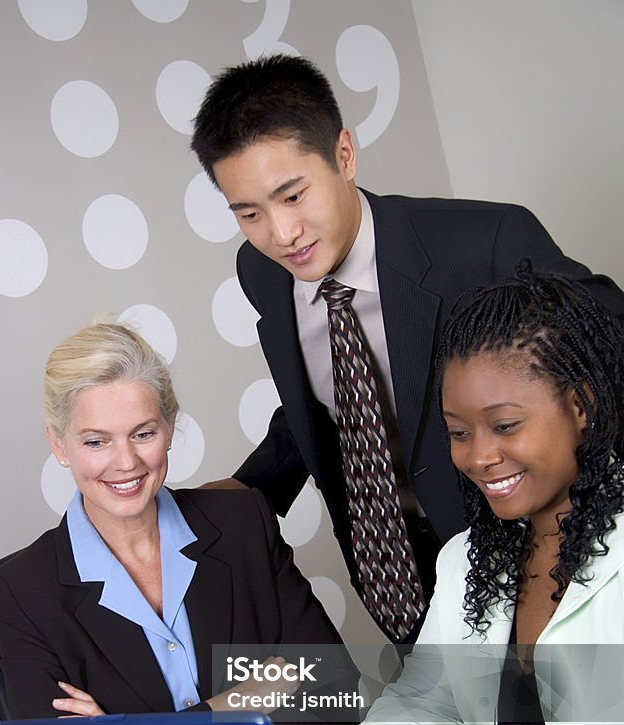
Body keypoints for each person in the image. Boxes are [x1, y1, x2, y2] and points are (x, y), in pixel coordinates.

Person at [191, 54, 624, 643]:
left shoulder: (486, 244)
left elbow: (608, 350)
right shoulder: (261, 271)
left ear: (344, 155)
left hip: (527, 561)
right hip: (394, 568)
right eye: (249, 213)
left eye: (292, 196)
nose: (281, 233)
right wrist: (249, 492)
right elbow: (335, 396)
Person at [313, 265, 624, 725]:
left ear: (582, 407)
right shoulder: (468, 560)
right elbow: (426, 704)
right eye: (458, 432)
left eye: (503, 425)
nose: (478, 456)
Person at [0, 318, 358, 725]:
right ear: (58, 444)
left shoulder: (243, 522)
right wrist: (244, 699)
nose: (126, 462)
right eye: (96, 441)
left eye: (143, 433)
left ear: (169, 427)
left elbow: (335, 691)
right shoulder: (18, 591)